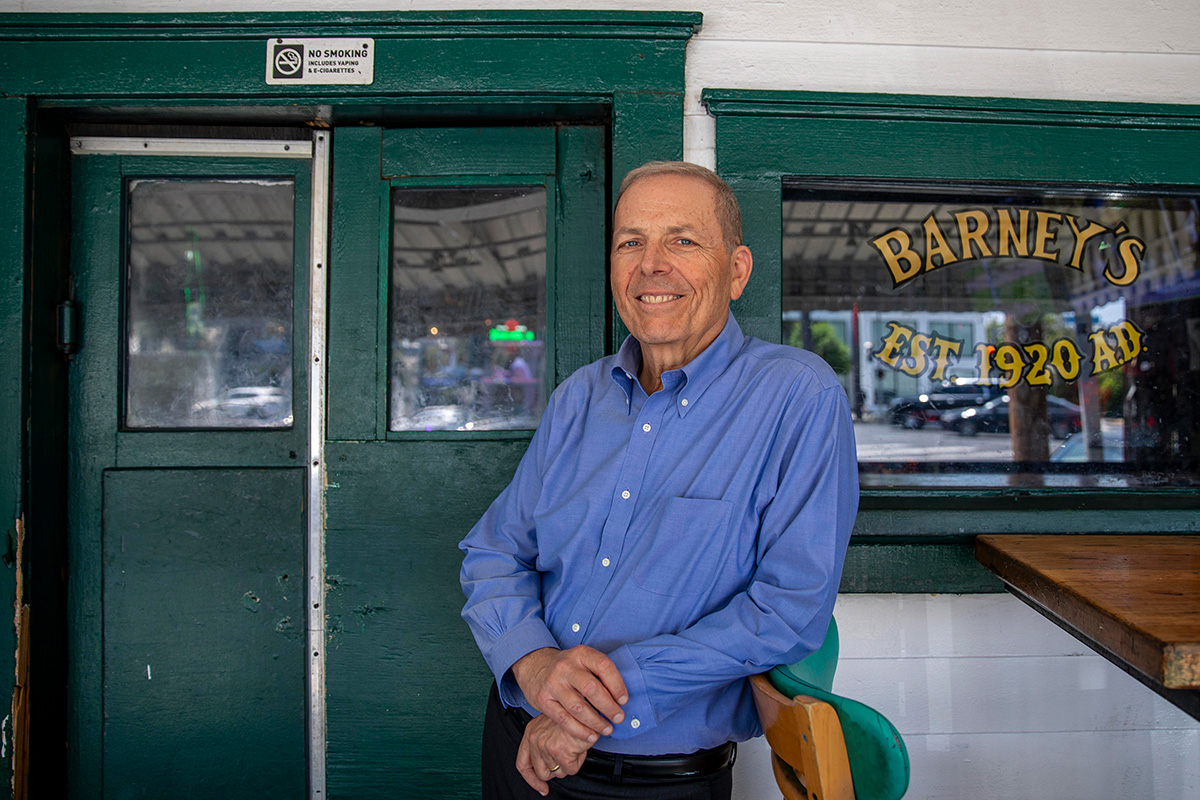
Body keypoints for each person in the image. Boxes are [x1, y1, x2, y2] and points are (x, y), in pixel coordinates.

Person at [459, 161, 858, 799]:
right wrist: (533, 666)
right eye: (631, 242)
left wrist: (589, 708)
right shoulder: (577, 399)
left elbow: (787, 609)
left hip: (657, 783)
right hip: (518, 746)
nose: (652, 264)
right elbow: (494, 551)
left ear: (737, 270)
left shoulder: (797, 395)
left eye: (683, 240)